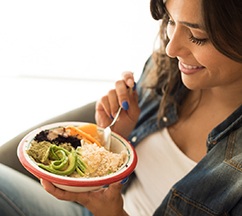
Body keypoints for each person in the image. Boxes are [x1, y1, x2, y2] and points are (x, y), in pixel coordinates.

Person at [1, 0, 242, 215]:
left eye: (197, 35)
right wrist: (115, 141)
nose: (171, 48)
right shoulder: (169, 72)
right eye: (170, 20)